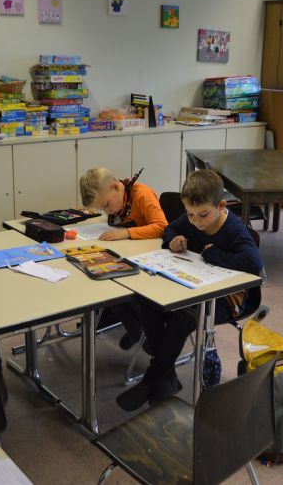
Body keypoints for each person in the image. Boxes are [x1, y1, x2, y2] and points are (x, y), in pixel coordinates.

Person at [115, 169, 263, 411]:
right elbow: (169, 228)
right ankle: (167, 377)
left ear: (221, 205)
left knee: (183, 318)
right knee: (151, 304)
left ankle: (154, 377)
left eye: (203, 215)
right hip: (194, 285)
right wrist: (174, 240)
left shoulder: (234, 229)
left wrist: (214, 254)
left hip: (228, 299)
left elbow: (253, 262)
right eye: (191, 214)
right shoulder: (193, 218)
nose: (196, 221)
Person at [79, 167, 168, 349]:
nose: (106, 211)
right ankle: (136, 331)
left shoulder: (142, 195)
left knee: (125, 290)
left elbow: (162, 226)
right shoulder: (118, 200)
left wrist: (127, 233)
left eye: (105, 205)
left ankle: (150, 336)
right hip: (133, 252)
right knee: (110, 286)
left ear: (115, 188)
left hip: (153, 259)